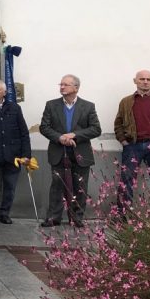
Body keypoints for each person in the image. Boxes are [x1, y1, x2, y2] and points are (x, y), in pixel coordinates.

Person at [40, 75, 102, 227]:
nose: (62, 87)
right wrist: (60, 137)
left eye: (66, 85)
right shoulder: (51, 105)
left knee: (80, 186)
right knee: (56, 185)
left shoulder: (88, 106)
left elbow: (96, 129)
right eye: (60, 84)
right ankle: (54, 217)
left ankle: (76, 217)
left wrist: (75, 135)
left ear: (76, 88)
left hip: (80, 152)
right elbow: (44, 127)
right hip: (58, 151)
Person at [114, 69, 150, 213]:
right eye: (142, 79)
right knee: (126, 180)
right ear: (135, 81)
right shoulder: (126, 101)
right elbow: (118, 123)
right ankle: (123, 216)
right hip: (133, 145)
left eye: (148, 79)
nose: (145, 82)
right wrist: (123, 140)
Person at [0, 80, 31, 225]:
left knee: (10, 187)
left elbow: (24, 133)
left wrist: (26, 155)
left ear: (4, 92)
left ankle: (4, 213)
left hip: (13, 155)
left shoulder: (14, 108)